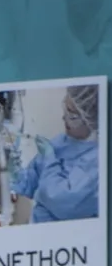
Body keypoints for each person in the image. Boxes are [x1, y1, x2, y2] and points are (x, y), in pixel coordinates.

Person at [12, 85, 100, 223]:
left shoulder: (98, 161)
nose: (64, 118)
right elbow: (31, 184)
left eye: (72, 115)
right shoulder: (61, 141)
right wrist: (15, 171)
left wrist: (49, 159)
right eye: (65, 108)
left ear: (91, 119)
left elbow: (61, 201)